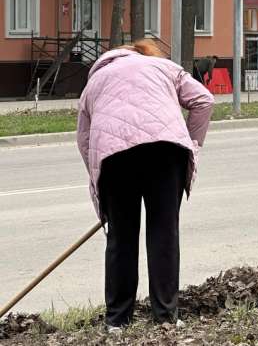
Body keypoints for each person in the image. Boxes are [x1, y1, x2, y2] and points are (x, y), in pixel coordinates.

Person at [76, 40, 214, 330]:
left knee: (121, 239)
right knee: (163, 233)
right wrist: (192, 144)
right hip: (166, 152)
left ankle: (117, 320)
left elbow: (85, 141)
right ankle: (165, 316)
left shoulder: (96, 81)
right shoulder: (164, 67)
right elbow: (204, 100)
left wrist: (100, 181)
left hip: (115, 158)